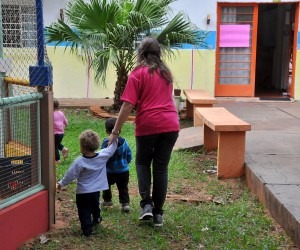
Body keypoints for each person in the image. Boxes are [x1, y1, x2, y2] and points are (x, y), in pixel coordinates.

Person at [108, 37, 180, 227]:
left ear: (141, 54)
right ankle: (158, 215)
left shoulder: (138, 73)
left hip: (148, 125)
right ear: (158, 54)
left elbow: (128, 104)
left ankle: (146, 205)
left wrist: (115, 131)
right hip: (171, 125)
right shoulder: (166, 74)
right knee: (161, 168)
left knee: (142, 162)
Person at [57, 129, 118, 237]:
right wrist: (114, 135)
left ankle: (87, 230)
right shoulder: (103, 155)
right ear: (96, 144)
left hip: (83, 192)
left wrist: (61, 184)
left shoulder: (79, 161)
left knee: (84, 210)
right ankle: (97, 218)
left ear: (82, 147)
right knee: (95, 206)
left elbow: (70, 175)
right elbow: (112, 149)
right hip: (96, 190)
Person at [101, 117, 132, 212]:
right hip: (123, 170)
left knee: (106, 186)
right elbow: (129, 154)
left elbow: (102, 156)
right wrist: (126, 162)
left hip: (109, 171)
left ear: (106, 131)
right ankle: (125, 203)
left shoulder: (106, 143)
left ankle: (107, 200)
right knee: (123, 187)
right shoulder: (124, 142)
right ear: (120, 129)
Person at [53, 98, 68, 164]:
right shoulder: (61, 113)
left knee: (54, 146)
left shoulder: (52, 114)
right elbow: (66, 123)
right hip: (61, 133)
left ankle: (57, 160)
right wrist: (63, 127)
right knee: (56, 143)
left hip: (55, 133)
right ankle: (63, 149)